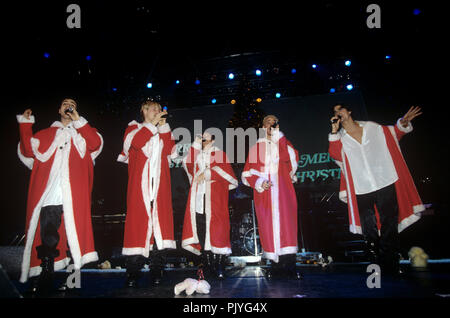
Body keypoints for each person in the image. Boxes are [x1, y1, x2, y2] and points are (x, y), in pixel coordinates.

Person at [17, 98, 103, 294]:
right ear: (59, 109)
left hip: (75, 195)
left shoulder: (84, 131)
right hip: (51, 194)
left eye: (72, 103)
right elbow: (27, 150)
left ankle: (73, 281)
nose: (68, 105)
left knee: (75, 238)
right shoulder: (46, 134)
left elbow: (94, 143)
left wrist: (79, 121)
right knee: (47, 237)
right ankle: (44, 277)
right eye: (65, 103)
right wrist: (25, 125)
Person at [328, 104, 424, 274]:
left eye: (340, 109)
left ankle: (391, 264)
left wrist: (404, 122)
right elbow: (335, 154)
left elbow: (395, 133)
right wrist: (334, 132)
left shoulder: (373, 128)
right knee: (369, 229)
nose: (338, 113)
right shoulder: (339, 138)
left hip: (384, 180)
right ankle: (376, 264)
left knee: (389, 226)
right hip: (361, 186)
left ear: (349, 111)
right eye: (335, 112)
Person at [117, 100, 177, 287]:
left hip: (160, 188)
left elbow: (171, 151)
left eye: (159, 109)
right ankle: (133, 272)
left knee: (160, 228)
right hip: (139, 188)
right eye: (153, 109)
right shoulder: (133, 128)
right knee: (137, 227)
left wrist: (163, 126)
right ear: (143, 111)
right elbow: (135, 143)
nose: (157, 111)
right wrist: (152, 126)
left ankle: (157, 268)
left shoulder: (162, 132)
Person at [241, 115, 301, 279]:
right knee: (268, 228)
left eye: (274, 121)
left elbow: (288, 159)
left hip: (283, 192)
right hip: (265, 195)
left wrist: (279, 137)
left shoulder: (285, 144)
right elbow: (247, 174)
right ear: (262, 127)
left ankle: (290, 265)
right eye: (267, 122)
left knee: (288, 227)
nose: (271, 123)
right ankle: (275, 266)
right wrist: (260, 181)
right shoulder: (256, 148)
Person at [181, 132, 238, 279]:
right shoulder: (197, 155)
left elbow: (227, 173)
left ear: (213, 139)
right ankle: (207, 265)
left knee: (218, 231)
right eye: (202, 137)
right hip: (199, 198)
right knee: (201, 230)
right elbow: (187, 164)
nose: (203, 139)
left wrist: (207, 173)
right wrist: (195, 145)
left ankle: (219, 265)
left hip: (215, 198)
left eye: (206, 137)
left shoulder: (219, 154)